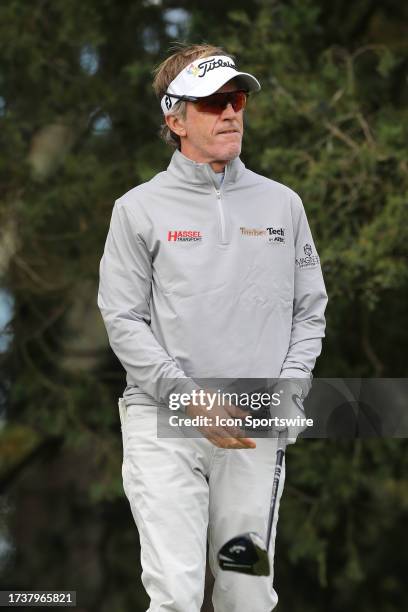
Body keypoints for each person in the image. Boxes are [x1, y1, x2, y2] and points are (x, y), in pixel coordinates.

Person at [97, 43, 328, 612]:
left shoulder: (283, 205)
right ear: (174, 119)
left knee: (246, 596)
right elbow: (122, 318)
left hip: (253, 423)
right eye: (213, 102)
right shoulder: (137, 209)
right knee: (175, 595)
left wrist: (291, 389)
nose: (230, 112)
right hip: (163, 419)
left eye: (237, 98)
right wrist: (186, 397)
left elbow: (310, 310)